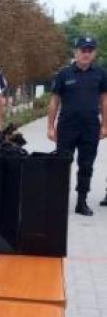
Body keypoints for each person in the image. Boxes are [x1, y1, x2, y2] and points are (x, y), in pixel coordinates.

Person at [48, 36, 107, 216]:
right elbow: (54, 101)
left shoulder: (100, 74)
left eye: (90, 50)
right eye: (83, 50)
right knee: (62, 164)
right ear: (76, 52)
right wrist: (50, 126)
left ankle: (81, 202)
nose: (86, 54)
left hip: (90, 127)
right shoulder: (64, 74)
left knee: (86, 165)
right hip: (67, 126)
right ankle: (57, 202)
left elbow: (104, 101)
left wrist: (105, 125)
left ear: (94, 53)